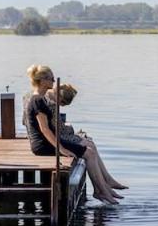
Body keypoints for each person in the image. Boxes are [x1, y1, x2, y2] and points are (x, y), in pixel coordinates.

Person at [24, 64, 126, 204]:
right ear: (42, 81)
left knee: (89, 150)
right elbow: (45, 130)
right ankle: (101, 191)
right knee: (88, 153)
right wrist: (61, 149)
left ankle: (103, 188)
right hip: (43, 146)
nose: (54, 81)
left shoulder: (39, 99)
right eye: (51, 79)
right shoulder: (37, 101)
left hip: (48, 142)